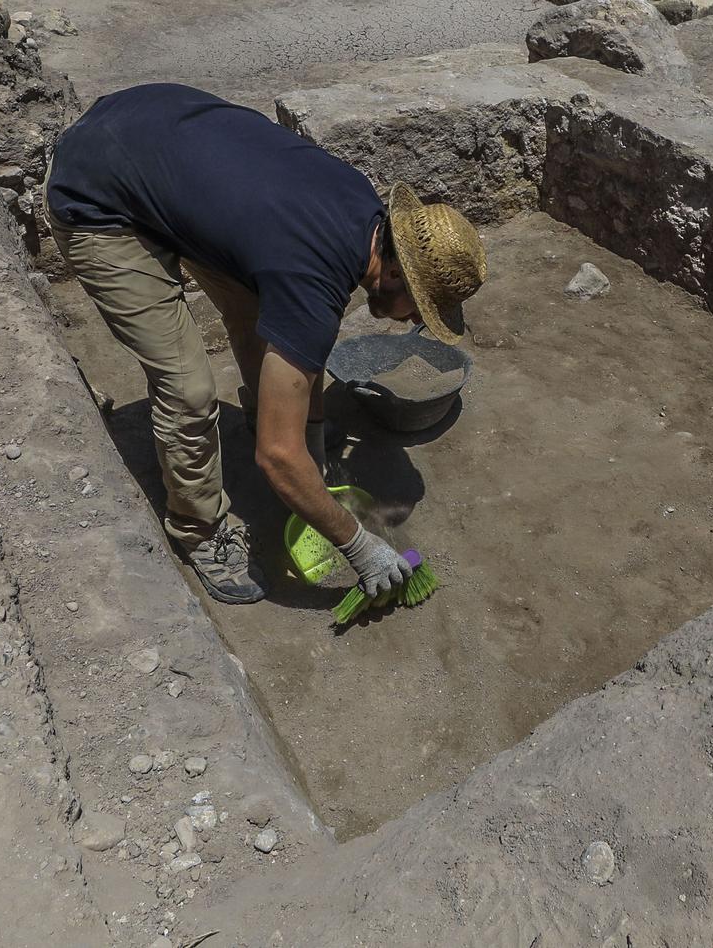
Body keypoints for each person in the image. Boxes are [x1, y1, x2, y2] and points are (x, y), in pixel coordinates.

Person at [44, 84, 489, 605]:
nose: (413, 320)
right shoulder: (312, 277)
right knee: (188, 389)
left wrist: (314, 437)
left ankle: (274, 413)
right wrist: (358, 544)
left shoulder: (360, 212)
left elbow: (300, 340)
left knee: (262, 316)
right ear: (394, 272)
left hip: (146, 123)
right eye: (419, 307)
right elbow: (277, 457)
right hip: (97, 194)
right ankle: (198, 529)